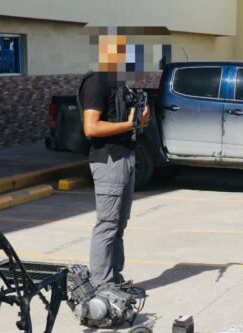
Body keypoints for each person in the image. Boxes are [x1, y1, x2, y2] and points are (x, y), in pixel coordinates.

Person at [79, 31, 151, 287]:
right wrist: (130, 124)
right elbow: (91, 128)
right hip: (108, 159)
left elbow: (127, 120)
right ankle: (101, 285)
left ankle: (115, 280)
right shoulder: (96, 81)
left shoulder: (120, 82)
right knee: (107, 225)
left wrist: (140, 119)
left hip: (126, 155)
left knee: (119, 225)